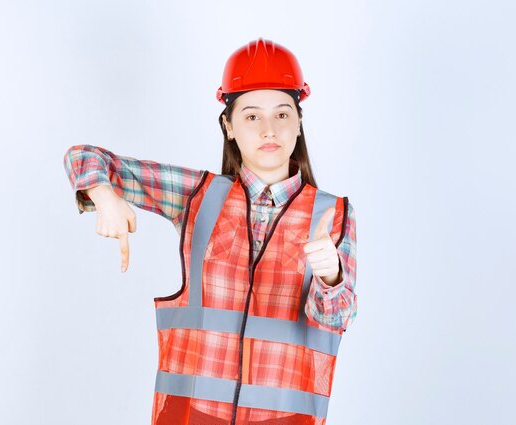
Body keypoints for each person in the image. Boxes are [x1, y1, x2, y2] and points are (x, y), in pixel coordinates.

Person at [63, 37, 357, 425]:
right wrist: (103, 195)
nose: (269, 129)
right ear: (228, 126)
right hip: (195, 416)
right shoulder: (197, 196)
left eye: (282, 114)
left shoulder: (332, 213)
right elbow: (84, 156)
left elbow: (337, 320)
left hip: (284, 420)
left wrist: (330, 274)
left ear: (299, 123)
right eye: (252, 116)